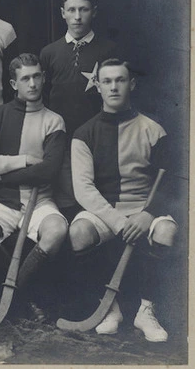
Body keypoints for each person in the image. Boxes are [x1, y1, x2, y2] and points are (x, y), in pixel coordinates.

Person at [68, 58, 177, 342]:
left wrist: (148, 214)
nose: (114, 86)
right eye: (107, 81)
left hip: (144, 209)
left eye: (120, 80)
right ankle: (110, 310)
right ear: (98, 87)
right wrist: (118, 222)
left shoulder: (154, 130)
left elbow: (170, 183)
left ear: (132, 84)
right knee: (78, 231)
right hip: (106, 212)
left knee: (166, 230)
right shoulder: (83, 134)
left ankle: (145, 311)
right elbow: (83, 189)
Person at [0, 53, 68, 322]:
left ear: (44, 78)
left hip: (41, 200)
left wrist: (4, 175)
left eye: (37, 76)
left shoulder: (54, 120)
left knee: (57, 230)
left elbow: (49, 170)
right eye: (25, 78)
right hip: (3, 201)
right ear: (13, 83)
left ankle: (5, 300)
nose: (32, 83)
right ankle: (24, 296)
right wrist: (22, 163)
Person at [39, 0, 118, 215]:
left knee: (96, 198)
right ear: (62, 12)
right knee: (66, 199)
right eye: (71, 10)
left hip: (98, 139)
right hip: (62, 140)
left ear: (94, 11)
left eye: (83, 9)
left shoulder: (108, 50)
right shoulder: (49, 53)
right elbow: (43, 98)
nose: (77, 16)